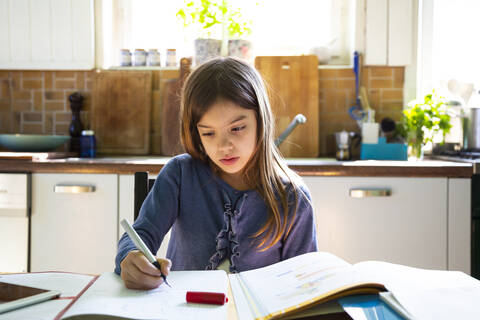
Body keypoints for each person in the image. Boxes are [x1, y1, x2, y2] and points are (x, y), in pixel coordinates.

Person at [115, 57, 317, 290]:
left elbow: (303, 283)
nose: (224, 146)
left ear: (261, 121)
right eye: (209, 133)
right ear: (195, 133)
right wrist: (130, 258)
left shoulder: (292, 196)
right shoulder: (179, 175)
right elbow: (140, 233)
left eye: (237, 128)